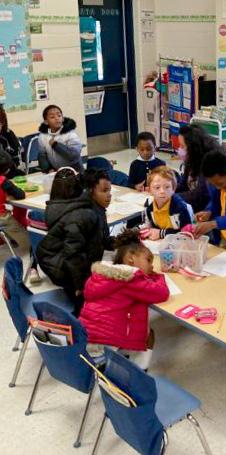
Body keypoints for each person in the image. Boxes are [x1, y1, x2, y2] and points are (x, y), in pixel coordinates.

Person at [80, 229, 169, 370]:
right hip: (105, 348)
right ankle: (138, 373)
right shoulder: (129, 277)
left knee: (137, 320)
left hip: (86, 340)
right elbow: (161, 293)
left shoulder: (103, 275)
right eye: (148, 260)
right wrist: (158, 276)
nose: (151, 266)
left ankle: (129, 366)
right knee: (147, 335)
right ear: (131, 258)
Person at [36, 168, 112, 314]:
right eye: (104, 191)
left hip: (65, 260)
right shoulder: (84, 215)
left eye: (109, 190)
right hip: (58, 264)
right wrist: (79, 285)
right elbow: (73, 253)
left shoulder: (96, 209)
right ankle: (78, 320)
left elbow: (100, 239)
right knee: (84, 305)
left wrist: (121, 242)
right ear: (91, 191)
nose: (109, 195)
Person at [176, 124, 216, 212]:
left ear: (193, 147)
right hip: (189, 206)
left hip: (203, 211)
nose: (179, 149)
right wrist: (166, 189)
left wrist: (172, 197)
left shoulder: (209, 163)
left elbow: (200, 195)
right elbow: (183, 186)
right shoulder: (191, 160)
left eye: (182, 146)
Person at [143, 166, 191, 240]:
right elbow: (148, 225)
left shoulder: (181, 208)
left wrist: (161, 233)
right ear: (149, 190)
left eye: (167, 187)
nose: (162, 191)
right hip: (159, 243)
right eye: (157, 187)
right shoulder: (149, 206)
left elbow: (187, 234)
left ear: (173, 189)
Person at [0, 148, 30, 254]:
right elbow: (20, 195)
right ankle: (29, 249)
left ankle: (8, 239)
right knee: (26, 239)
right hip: (2, 217)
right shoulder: (3, 181)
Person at [38, 105, 83, 173]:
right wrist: (47, 169)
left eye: (59, 116)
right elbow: (42, 155)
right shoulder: (42, 136)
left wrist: (56, 145)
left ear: (63, 119)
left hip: (74, 171)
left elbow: (74, 155)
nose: (57, 118)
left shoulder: (71, 135)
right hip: (57, 172)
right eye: (52, 117)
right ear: (46, 122)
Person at [0, 104, 23, 177]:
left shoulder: (8, 134)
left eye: (0, 122)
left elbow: (16, 159)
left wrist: (7, 170)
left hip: (9, 173)